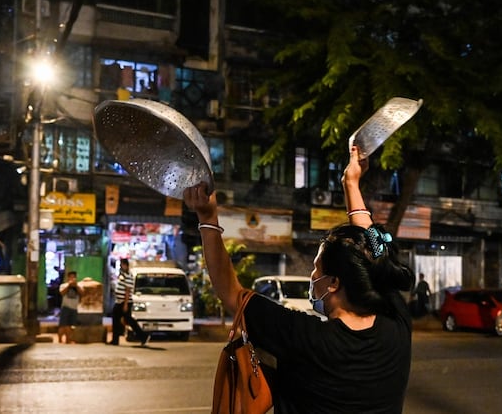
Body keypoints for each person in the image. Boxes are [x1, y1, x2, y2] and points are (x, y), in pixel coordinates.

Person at [183, 145, 415, 413]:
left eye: (316, 268)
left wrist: (208, 217)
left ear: (334, 283)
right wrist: (351, 183)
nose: (312, 275)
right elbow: (373, 252)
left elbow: (231, 293)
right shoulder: (397, 323)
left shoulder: (305, 337)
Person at [108, 259, 150, 346]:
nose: (121, 267)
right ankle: (115, 339)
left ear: (126, 265)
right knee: (117, 319)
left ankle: (143, 336)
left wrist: (125, 304)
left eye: (122, 265)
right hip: (120, 301)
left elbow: (127, 290)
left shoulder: (128, 276)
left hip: (124, 302)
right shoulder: (123, 275)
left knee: (129, 320)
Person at [58, 271, 83, 344]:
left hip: (74, 308)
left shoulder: (78, 286)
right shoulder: (64, 285)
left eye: (74, 277)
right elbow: (62, 293)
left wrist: (76, 286)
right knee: (63, 325)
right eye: (71, 277)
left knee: (71, 325)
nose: (72, 278)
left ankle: (68, 339)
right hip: (65, 307)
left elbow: (82, 293)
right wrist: (69, 285)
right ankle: (61, 339)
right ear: (68, 278)